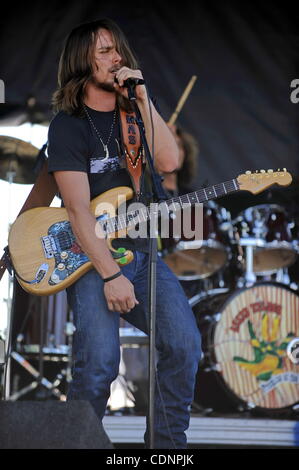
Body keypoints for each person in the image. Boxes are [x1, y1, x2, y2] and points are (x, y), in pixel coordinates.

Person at [47, 18, 201, 449]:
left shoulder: (134, 113)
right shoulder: (68, 126)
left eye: (118, 49)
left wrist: (142, 97)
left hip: (143, 253)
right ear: (82, 61)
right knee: (98, 366)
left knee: (185, 346)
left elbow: (169, 163)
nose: (117, 59)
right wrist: (111, 274)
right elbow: (77, 210)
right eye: (104, 51)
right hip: (95, 257)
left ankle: (166, 449)